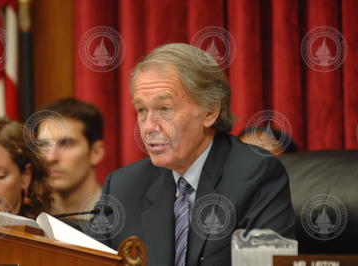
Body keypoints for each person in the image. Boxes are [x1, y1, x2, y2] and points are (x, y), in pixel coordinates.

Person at [90, 43, 295, 266]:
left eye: (164, 109)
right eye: (141, 110)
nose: (148, 127)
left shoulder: (256, 176)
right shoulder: (123, 186)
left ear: (209, 111)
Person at [36, 98, 104, 217]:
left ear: (95, 152)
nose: (50, 158)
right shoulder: (30, 218)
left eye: (65, 144)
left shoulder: (123, 215)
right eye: (44, 145)